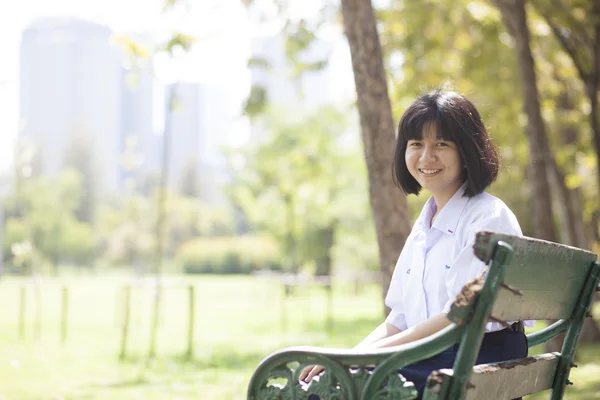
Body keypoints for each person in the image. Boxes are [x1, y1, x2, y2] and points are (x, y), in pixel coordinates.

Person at [298, 89, 531, 398]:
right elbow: (400, 320)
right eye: (416, 144)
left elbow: (457, 319)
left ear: (468, 150)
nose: (426, 156)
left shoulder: (487, 217)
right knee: (319, 383)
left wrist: (358, 361)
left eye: (441, 144)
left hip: (471, 358)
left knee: (325, 393)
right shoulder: (424, 226)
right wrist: (347, 357)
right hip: (440, 357)